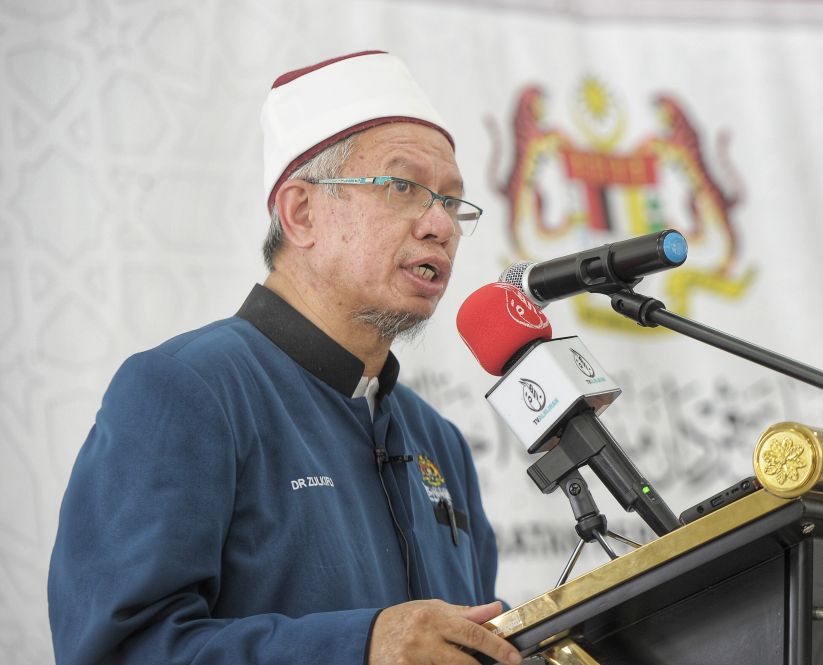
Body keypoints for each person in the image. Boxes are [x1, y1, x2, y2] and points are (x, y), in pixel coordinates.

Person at [48, 50, 522, 665]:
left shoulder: (440, 440)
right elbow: (117, 650)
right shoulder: (184, 391)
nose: (441, 225)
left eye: (453, 201)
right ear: (301, 213)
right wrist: (361, 648)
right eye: (403, 187)